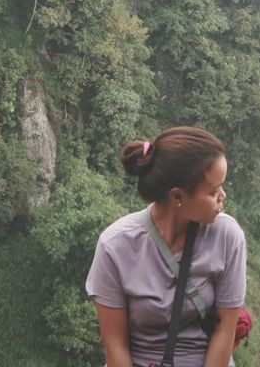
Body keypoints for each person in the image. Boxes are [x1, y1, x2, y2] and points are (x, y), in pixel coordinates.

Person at [86, 126, 247, 367]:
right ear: (178, 198)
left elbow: (225, 329)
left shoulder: (227, 235)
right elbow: (115, 345)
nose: (223, 196)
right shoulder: (115, 245)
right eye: (213, 192)